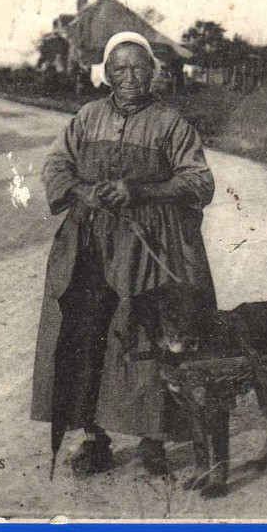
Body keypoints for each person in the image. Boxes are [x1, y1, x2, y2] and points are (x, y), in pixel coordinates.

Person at [31, 31, 216, 476]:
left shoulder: (172, 124)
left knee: (149, 335)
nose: (129, 77)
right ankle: (94, 437)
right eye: (119, 68)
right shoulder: (87, 117)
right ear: (106, 75)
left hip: (152, 245)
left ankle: (154, 439)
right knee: (88, 333)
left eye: (137, 67)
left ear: (153, 71)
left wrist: (140, 190)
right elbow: (55, 166)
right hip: (91, 243)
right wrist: (83, 191)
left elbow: (200, 183)